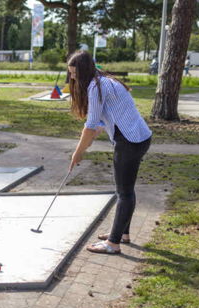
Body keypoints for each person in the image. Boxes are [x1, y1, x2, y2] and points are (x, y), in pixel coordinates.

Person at [67, 51, 152, 254]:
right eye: (70, 73)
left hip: (129, 141)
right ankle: (122, 234)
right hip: (140, 137)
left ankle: (113, 244)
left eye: (74, 74)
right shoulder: (105, 81)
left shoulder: (95, 87)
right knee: (126, 189)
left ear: (84, 71)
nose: (72, 77)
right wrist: (90, 138)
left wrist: (78, 152)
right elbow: (105, 120)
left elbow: (90, 125)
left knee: (124, 193)